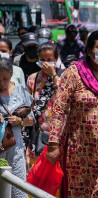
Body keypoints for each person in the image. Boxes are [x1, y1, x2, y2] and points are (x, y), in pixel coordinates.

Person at [46, 30, 98, 197]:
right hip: (79, 150)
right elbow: (59, 109)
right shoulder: (74, 73)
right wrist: (53, 143)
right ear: (90, 51)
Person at [25, 42, 65, 172]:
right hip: (37, 135)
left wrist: (53, 76)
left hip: (60, 136)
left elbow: (65, 98)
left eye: (50, 60)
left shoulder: (65, 77)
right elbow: (28, 105)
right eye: (42, 60)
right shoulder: (32, 79)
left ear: (56, 59)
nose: (46, 63)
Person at [0, 58, 34, 198]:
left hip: (16, 148)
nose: (1, 83)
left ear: (12, 74)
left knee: (18, 188)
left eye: (5, 79)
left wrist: (20, 120)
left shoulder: (20, 90)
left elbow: (31, 120)